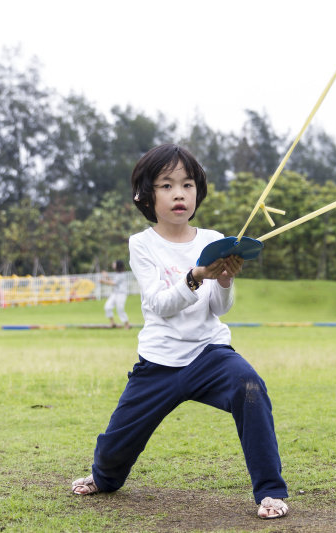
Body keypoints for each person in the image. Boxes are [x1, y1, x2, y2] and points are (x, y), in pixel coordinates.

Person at [71, 144, 289, 520]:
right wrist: (195, 277)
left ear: (197, 192)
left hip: (210, 354)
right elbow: (158, 304)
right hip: (159, 362)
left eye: (187, 185)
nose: (179, 194)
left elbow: (219, 308)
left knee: (249, 386)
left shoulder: (213, 239)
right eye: (167, 185)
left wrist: (222, 281)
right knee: (114, 446)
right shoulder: (142, 244)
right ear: (146, 195)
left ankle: (269, 492)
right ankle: (103, 477)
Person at [102, 260, 130, 329]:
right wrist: (106, 277)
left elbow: (113, 283)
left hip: (121, 294)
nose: (113, 264)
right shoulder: (117, 274)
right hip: (115, 293)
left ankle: (127, 324)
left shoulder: (122, 275)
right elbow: (113, 282)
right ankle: (112, 323)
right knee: (107, 307)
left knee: (120, 309)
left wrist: (104, 281)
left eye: (114, 264)